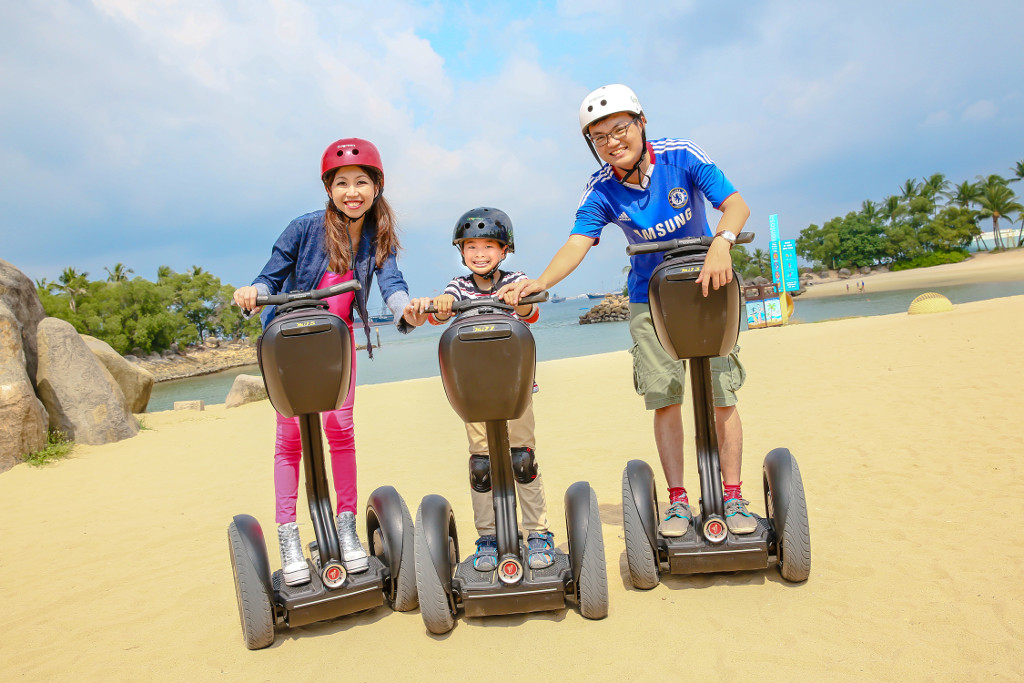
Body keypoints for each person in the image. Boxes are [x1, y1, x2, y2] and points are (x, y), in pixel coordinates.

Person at [501, 84, 758, 538]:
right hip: (649, 298)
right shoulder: (601, 188)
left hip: (705, 285)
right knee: (665, 397)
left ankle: (733, 495)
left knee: (722, 396)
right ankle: (678, 501)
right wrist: (539, 282)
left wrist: (723, 242)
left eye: (620, 129)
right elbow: (578, 242)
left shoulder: (681, 155)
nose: (612, 142)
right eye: (600, 138)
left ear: (641, 124)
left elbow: (734, 204)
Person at [233, 138, 419, 585]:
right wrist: (252, 292)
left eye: (360, 182)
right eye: (342, 183)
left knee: (341, 431)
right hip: (292, 343)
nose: (351, 191)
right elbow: (272, 272)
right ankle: (290, 539)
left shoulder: (379, 235)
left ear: (376, 186)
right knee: (290, 438)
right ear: (329, 189)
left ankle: (346, 532)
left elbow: (391, 281)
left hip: (337, 346)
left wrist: (404, 308)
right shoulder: (305, 228)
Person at [405, 207, 556, 571]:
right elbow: (441, 314)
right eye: (471, 246)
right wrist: (440, 307)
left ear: (505, 250)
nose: (480, 253)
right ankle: (488, 536)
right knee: (482, 465)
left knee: (522, 459)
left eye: (489, 245)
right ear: (461, 251)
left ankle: (537, 532)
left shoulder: (516, 279)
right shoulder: (457, 286)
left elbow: (533, 309)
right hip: (474, 392)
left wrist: (520, 297)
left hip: (515, 387)